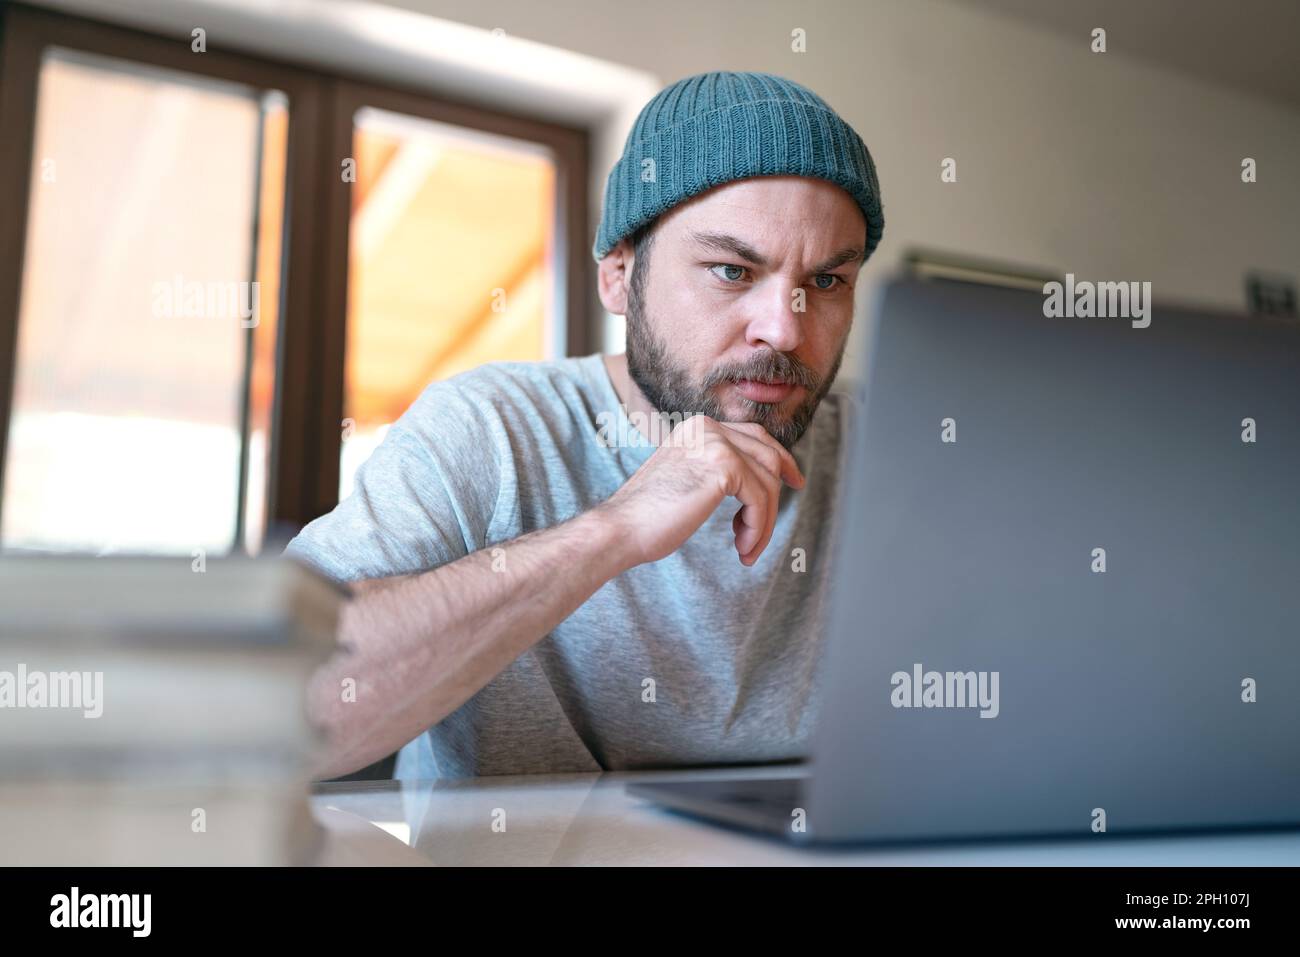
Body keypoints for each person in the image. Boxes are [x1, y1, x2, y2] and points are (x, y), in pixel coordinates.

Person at [284, 70, 885, 780]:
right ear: (618, 274)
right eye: (731, 270)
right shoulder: (490, 430)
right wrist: (613, 531)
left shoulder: (888, 451)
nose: (784, 329)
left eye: (826, 281)